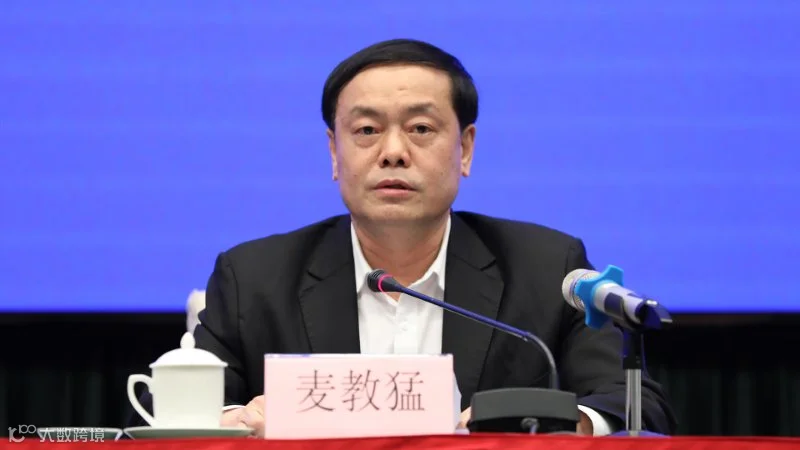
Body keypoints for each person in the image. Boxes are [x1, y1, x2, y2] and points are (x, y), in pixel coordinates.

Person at [129, 38, 677, 437]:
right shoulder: (254, 278)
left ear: (465, 149)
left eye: (420, 129)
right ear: (334, 153)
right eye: (367, 130)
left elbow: (635, 405)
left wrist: (563, 425)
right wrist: (238, 422)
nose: (393, 152)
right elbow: (165, 413)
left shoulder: (546, 267)